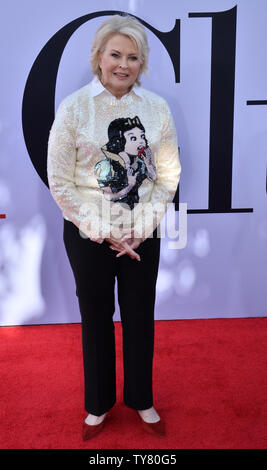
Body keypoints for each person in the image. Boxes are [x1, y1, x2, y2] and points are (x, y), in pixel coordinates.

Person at [47, 14, 181, 440]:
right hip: (89, 235)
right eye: (115, 55)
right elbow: (60, 180)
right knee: (95, 316)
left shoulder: (157, 109)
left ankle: (142, 398)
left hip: (143, 233)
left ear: (142, 64)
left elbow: (168, 175)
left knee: (141, 316)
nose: (123, 64)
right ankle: (98, 405)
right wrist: (99, 230)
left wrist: (140, 228)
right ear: (98, 58)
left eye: (133, 57)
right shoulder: (73, 108)